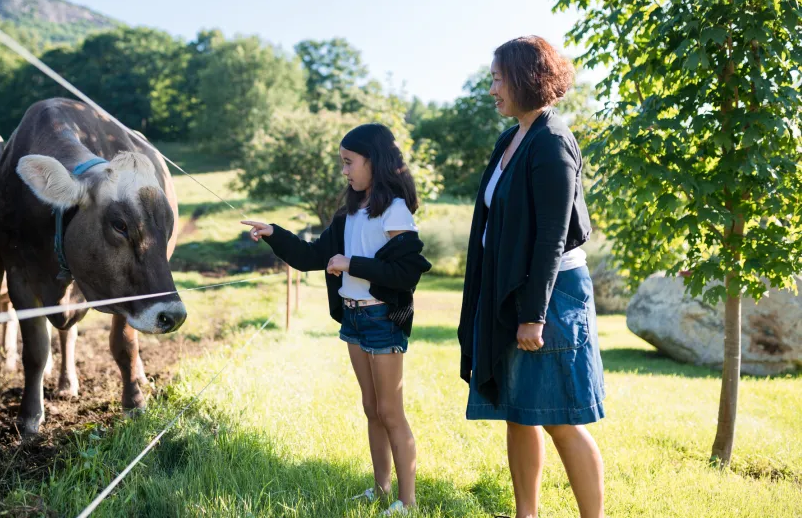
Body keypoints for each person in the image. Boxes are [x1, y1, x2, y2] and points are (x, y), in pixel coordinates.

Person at [242, 123, 431, 515]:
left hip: (382, 320)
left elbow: (406, 273)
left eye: (349, 163)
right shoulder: (348, 214)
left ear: (374, 162)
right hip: (353, 320)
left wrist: (352, 264)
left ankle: (407, 502)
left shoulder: (394, 211)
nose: (344, 171)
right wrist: (275, 233)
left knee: (391, 412)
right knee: (371, 409)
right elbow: (313, 257)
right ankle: (380, 491)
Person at [457, 36, 605, 518]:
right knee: (518, 412)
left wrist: (533, 316)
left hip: (552, 294)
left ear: (524, 78)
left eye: (498, 77)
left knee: (560, 418)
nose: (493, 87)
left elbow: (550, 237)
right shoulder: (512, 137)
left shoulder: (553, 141)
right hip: (514, 289)